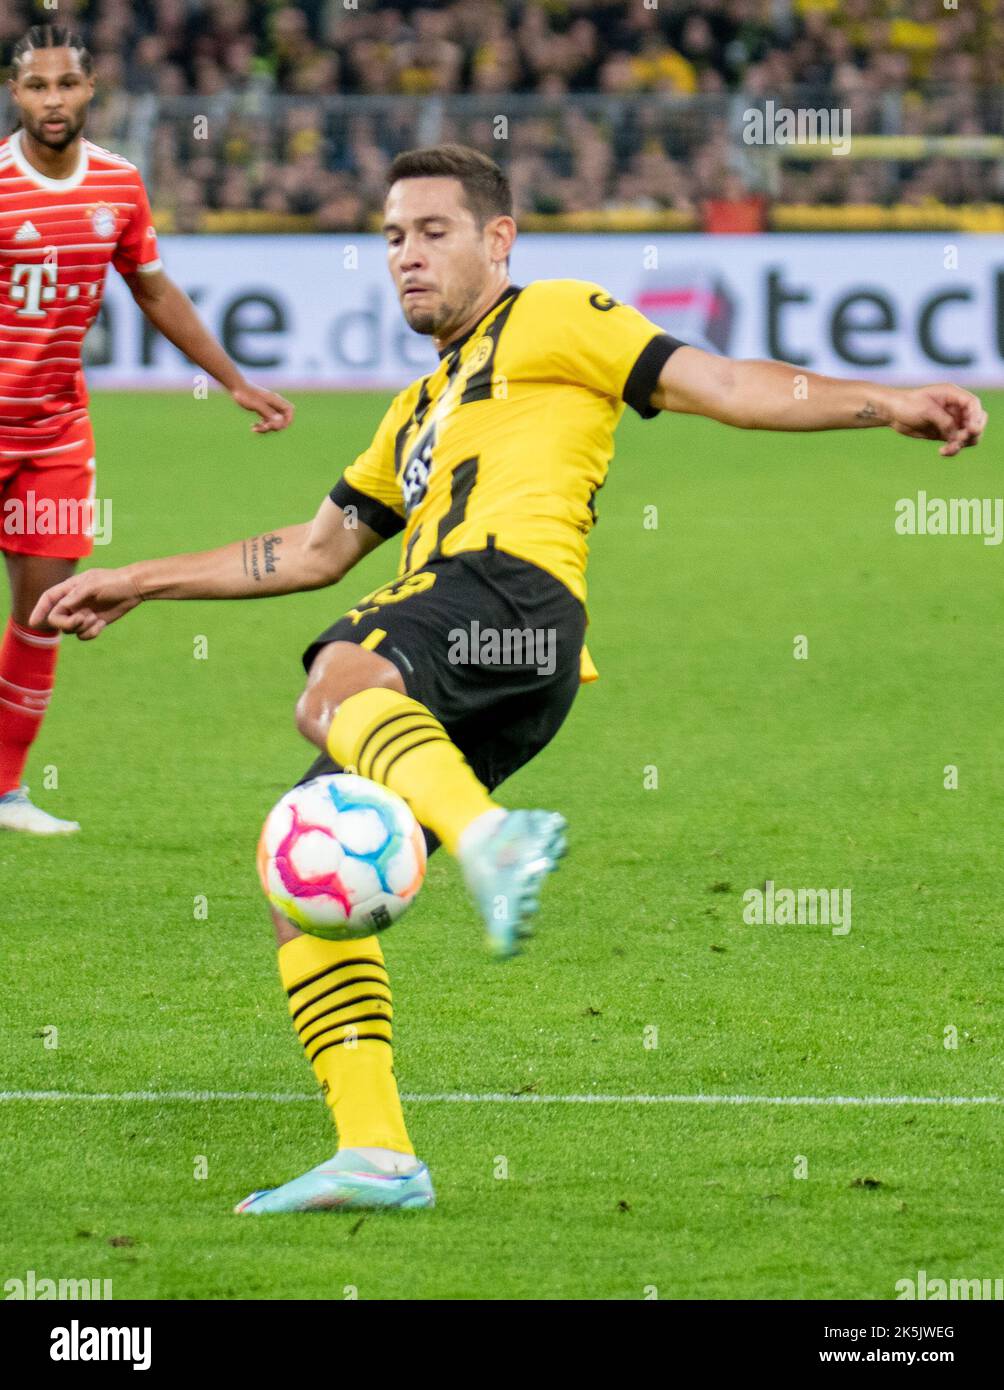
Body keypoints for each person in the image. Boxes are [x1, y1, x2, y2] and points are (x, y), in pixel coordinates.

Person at [33, 144, 986, 1213]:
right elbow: (310, 552)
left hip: (504, 591)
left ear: (497, 240)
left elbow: (724, 383)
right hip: (512, 666)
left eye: (433, 232)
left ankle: (492, 839)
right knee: (300, 878)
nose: (406, 256)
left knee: (332, 683)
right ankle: (379, 1153)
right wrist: (137, 579)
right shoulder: (416, 407)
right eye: (391, 236)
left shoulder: (557, 314)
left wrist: (886, 401)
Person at [0, 24, 293, 835]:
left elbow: (155, 293)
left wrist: (234, 381)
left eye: (67, 84)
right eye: (36, 86)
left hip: (54, 433)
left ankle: (5, 792)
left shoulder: (120, 186)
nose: (52, 100)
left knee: (42, 612)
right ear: (13, 93)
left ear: (91, 91)